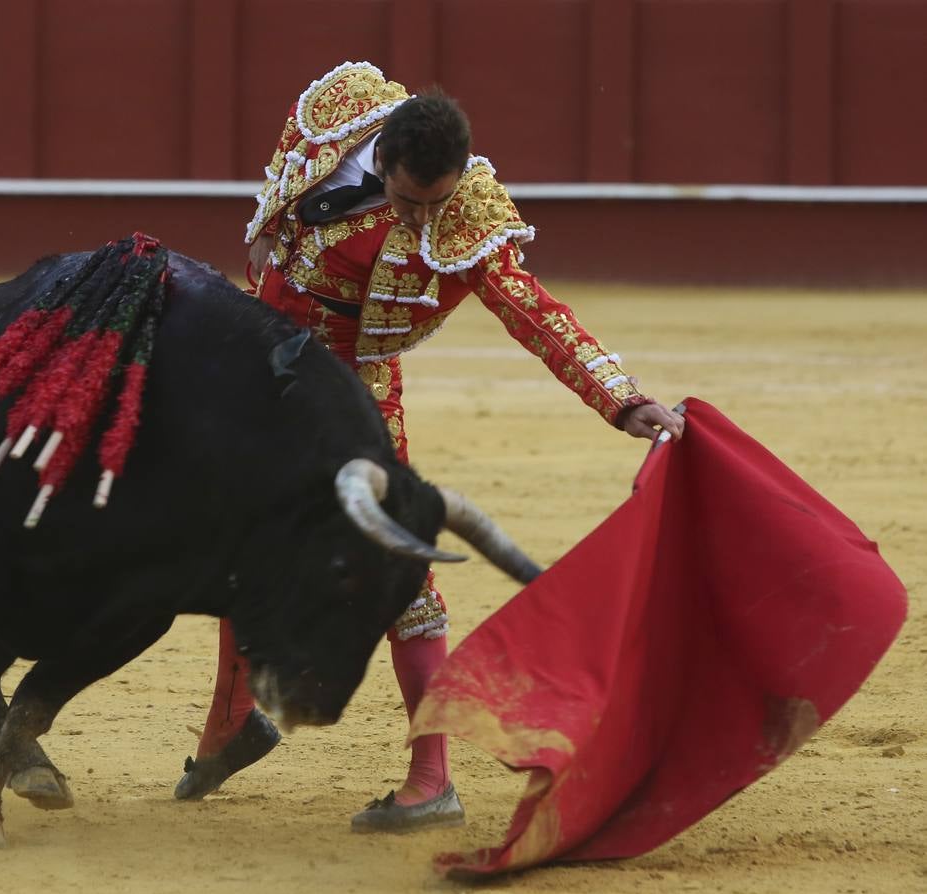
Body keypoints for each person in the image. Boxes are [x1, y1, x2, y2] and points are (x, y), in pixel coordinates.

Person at [172, 61, 685, 833]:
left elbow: (534, 313)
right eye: (409, 201)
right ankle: (232, 724)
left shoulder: (467, 217)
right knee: (234, 535)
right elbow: (285, 207)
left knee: (398, 564)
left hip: (350, 396)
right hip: (260, 367)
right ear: (379, 158)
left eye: (435, 203)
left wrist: (623, 398)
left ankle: (432, 779)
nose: (421, 220)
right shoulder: (340, 108)